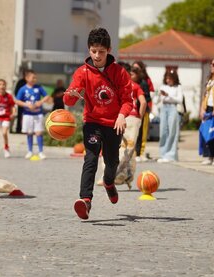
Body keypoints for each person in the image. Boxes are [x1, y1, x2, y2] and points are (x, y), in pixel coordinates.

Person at [63, 27, 133, 220]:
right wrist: (70, 96)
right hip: (92, 122)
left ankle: (109, 183)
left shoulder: (119, 72)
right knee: (91, 159)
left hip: (114, 124)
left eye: (101, 51)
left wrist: (121, 116)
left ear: (109, 50)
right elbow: (69, 100)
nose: (97, 55)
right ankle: (85, 201)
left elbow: (128, 100)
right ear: (89, 49)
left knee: (111, 162)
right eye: (93, 51)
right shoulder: (82, 72)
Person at [114, 65, 147, 188]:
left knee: (120, 146)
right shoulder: (136, 86)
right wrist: (140, 116)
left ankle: (118, 175)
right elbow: (143, 102)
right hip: (133, 117)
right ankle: (128, 175)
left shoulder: (118, 85)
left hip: (121, 116)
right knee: (130, 149)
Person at [15, 69, 50, 159]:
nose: (35, 79)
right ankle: (30, 151)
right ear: (27, 78)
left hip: (38, 114)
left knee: (39, 133)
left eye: (35, 78)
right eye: (33, 77)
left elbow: (47, 96)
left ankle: (41, 152)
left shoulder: (39, 88)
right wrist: (26, 104)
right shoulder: (23, 89)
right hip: (27, 114)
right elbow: (17, 101)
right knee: (29, 133)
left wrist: (40, 102)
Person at [157, 71, 184, 163]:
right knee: (163, 131)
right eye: (167, 78)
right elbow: (159, 99)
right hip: (164, 108)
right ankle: (163, 154)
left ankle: (171, 155)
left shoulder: (178, 87)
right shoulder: (163, 87)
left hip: (173, 107)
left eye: (170, 78)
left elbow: (180, 100)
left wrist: (169, 96)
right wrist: (161, 96)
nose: (168, 80)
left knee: (172, 131)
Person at [132, 61, 153, 162]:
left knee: (142, 133)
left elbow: (148, 98)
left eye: (137, 68)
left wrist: (142, 105)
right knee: (134, 132)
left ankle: (141, 152)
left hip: (143, 111)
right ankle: (134, 152)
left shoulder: (144, 82)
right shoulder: (131, 82)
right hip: (133, 111)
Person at [13, 69, 27, 133]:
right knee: (20, 115)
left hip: (29, 103)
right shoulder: (20, 82)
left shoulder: (31, 83)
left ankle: (26, 129)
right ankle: (18, 129)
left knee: (27, 116)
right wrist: (18, 99)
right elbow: (16, 91)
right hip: (21, 102)